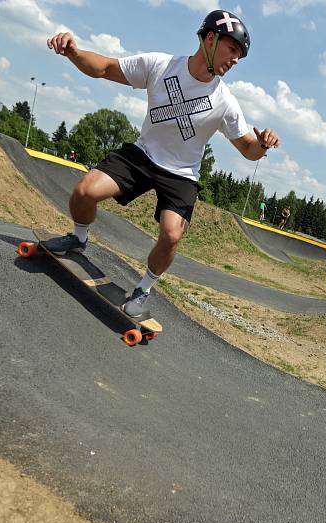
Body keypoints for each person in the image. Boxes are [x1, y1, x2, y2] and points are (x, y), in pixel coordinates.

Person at [43, 10, 280, 318]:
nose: (235, 60)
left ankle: (143, 288)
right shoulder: (161, 65)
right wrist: (74, 53)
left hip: (181, 174)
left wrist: (262, 145)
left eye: (240, 56)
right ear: (210, 39)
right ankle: (78, 237)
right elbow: (105, 68)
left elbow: (249, 148)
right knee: (85, 191)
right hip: (143, 155)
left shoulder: (225, 101)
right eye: (232, 49)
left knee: (171, 235)